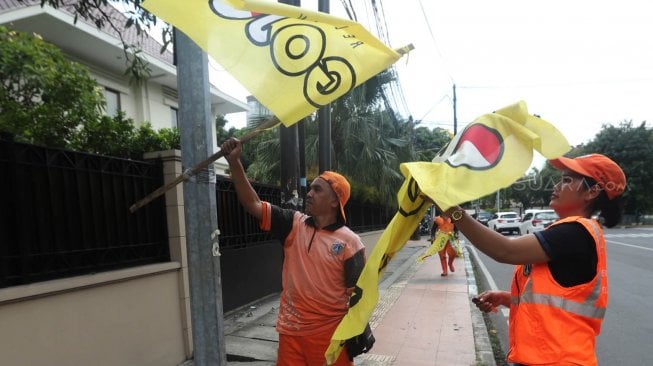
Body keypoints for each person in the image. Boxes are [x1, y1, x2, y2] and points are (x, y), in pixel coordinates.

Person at [444, 153, 626, 366]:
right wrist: (507, 298)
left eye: (567, 180)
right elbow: (554, 302)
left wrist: (452, 210)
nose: (556, 186)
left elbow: (505, 251)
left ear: (592, 191)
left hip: (557, 360)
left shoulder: (575, 232)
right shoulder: (570, 232)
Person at [220, 137, 372, 366]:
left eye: (317, 189)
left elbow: (358, 295)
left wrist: (359, 330)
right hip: (290, 333)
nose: (309, 193)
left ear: (334, 201)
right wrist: (234, 163)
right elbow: (253, 204)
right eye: (310, 188)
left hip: (330, 336)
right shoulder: (294, 224)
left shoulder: (350, 242)